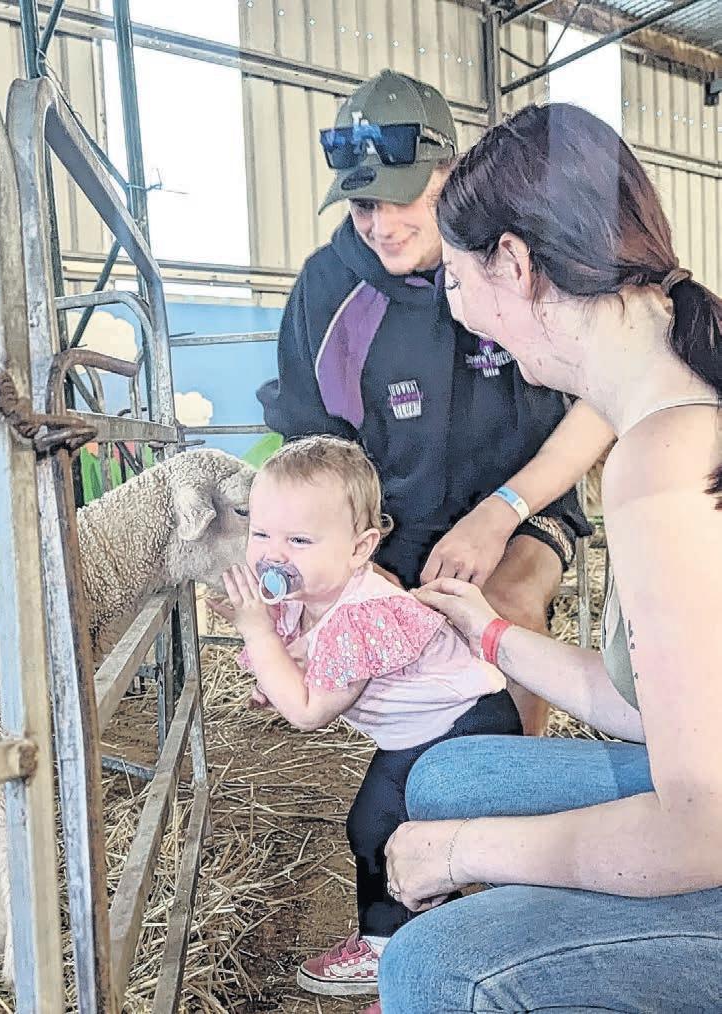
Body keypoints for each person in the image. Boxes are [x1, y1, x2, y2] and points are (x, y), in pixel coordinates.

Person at [375, 102, 722, 1013]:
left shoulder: (664, 459)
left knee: (432, 967)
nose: (458, 307)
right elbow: (646, 708)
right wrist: (487, 634)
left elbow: (702, 829)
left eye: (458, 278)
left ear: (516, 263)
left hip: (711, 826)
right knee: (449, 777)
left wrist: (462, 853)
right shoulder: (674, 394)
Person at [257, 69, 614, 737]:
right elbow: (311, 450)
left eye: (405, 201)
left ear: (450, 177)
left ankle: (513, 772)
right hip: (390, 520)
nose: (383, 226)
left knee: (504, 607)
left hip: (524, 503)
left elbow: (603, 399)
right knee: (370, 628)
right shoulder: (327, 290)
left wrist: (501, 512)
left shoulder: (513, 262)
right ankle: (431, 769)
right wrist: (355, 565)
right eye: (364, 207)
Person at [214, 435, 522, 999]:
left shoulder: (360, 614)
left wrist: (257, 634)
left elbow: (308, 711)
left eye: (299, 539)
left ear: (360, 548)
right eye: (261, 533)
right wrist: (274, 671)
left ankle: (389, 950)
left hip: (462, 729)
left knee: (378, 829)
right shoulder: (316, 594)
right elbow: (302, 660)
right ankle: (431, 933)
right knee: (383, 827)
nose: (274, 554)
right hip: (428, 731)